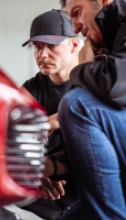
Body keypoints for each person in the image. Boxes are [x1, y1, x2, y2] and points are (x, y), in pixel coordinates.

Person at [56, 0, 126, 219]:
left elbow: (118, 84)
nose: (75, 27)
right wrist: (49, 166)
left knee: (77, 105)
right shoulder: (111, 45)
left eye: (77, 13)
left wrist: (80, 69)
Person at [18, 9, 82, 220]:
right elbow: (2, 143)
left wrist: (47, 167)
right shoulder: (28, 92)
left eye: (52, 46)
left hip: (89, 189)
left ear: (74, 44)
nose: (42, 55)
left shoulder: (94, 84)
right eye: (37, 47)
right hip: (48, 194)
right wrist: (35, 169)